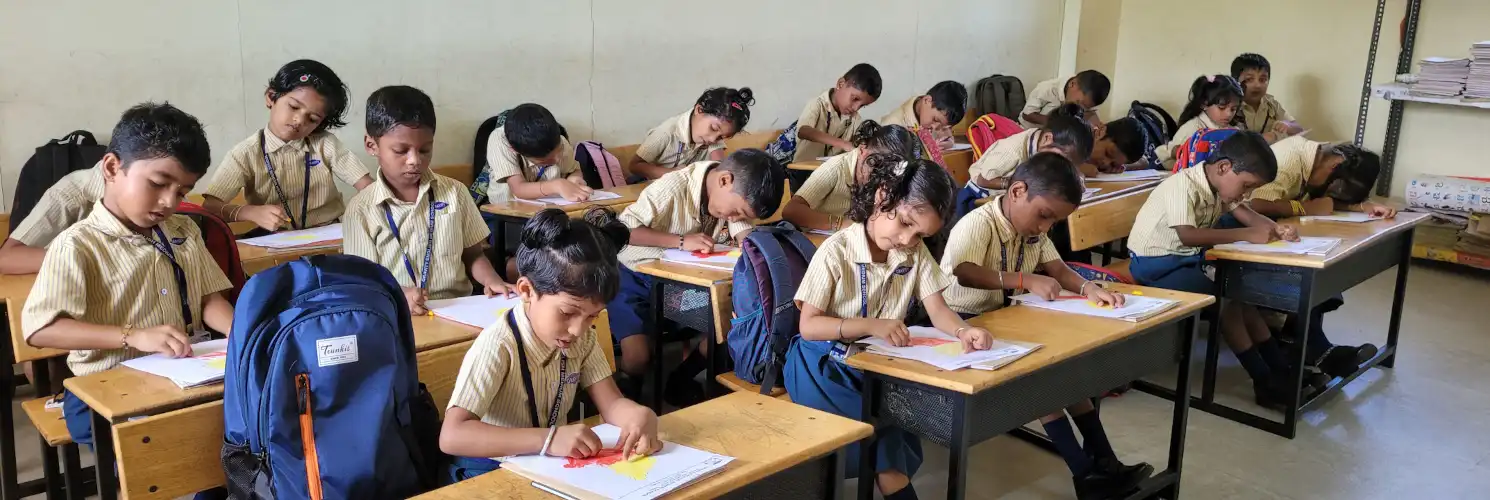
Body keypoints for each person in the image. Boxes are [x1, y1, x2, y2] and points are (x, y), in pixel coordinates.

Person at [22, 103, 234, 449]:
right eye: (158, 183)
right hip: (104, 390)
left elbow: (210, 299)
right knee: (161, 453)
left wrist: (244, 333)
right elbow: (42, 329)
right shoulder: (77, 245)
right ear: (111, 167)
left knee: (234, 437)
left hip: (185, 375)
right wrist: (132, 336)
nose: (168, 202)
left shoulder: (183, 231)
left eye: (181, 192)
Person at [942, 152, 1152, 499]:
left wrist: (1089, 287)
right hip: (965, 323)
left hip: (1005, 319)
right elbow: (963, 271)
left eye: (1052, 222)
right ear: (1017, 191)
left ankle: (1107, 463)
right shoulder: (979, 222)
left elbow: (1057, 269)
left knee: (1069, 379)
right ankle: (1085, 477)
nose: (1044, 227)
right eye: (1043, 216)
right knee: (1041, 384)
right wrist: (1023, 278)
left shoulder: (1034, 233)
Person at [785, 155, 994, 500]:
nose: (908, 239)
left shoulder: (914, 253)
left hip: (873, 366)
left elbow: (939, 310)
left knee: (898, 424)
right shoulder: (835, 251)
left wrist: (961, 332)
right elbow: (809, 326)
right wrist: (872, 325)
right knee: (883, 435)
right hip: (820, 367)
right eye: (906, 222)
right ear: (883, 197)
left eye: (920, 234)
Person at [440, 208, 660, 482]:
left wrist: (639, 415)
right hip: (487, 469)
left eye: (592, 316)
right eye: (567, 313)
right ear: (526, 291)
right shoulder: (498, 344)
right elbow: (453, 436)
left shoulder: (584, 338)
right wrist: (549, 439)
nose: (578, 329)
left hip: (543, 463)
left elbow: (612, 403)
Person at [1127, 131, 1304, 409]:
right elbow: (1187, 235)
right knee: (1230, 298)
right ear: (1224, 167)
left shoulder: (1219, 184)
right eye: (1246, 185)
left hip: (1187, 260)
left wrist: (1275, 228)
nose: (1246, 193)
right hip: (1156, 267)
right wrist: (1245, 235)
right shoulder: (1181, 186)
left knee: (1243, 296)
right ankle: (1263, 379)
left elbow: (1246, 214)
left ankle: (1281, 370)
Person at [607, 150, 786, 403]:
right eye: (735, 212)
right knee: (639, 357)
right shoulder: (673, 187)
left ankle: (679, 380)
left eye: (741, 216)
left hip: (679, 289)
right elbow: (622, 230)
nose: (733, 219)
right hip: (632, 279)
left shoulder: (729, 197)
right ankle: (626, 399)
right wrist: (679, 241)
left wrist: (753, 251)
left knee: (723, 330)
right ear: (725, 180)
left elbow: (745, 236)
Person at [343, 86, 515, 316]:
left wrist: (492, 279)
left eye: (425, 150)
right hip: (397, 313)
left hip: (459, 310)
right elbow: (363, 279)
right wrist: (399, 293)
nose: (415, 160)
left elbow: (473, 254)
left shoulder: (455, 192)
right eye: (401, 150)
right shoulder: (361, 209)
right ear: (372, 146)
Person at [1243, 137, 1396, 379]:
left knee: (1319, 269)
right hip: (1247, 237)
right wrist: (1305, 209)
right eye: (1336, 187)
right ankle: (1318, 352)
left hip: (1274, 234)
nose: (1332, 193)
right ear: (1334, 166)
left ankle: (1312, 349)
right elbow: (1254, 204)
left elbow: (1323, 200)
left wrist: (1360, 208)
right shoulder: (1288, 162)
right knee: (1307, 275)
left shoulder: (1316, 161)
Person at [201, 59, 373, 234]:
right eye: (293, 107)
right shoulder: (245, 154)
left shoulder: (325, 144)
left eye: (312, 119)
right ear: (270, 97)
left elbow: (368, 187)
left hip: (329, 235)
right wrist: (248, 212)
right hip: (274, 241)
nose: (299, 120)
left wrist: (359, 213)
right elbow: (209, 208)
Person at [782, 121, 918, 231]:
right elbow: (791, 210)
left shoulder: (892, 176)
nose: (877, 179)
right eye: (874, 168)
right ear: (863, 149)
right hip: (815, 239)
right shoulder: (836, 168)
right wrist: (842, 225)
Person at [629, 87, 755, 180]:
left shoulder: (714, 136)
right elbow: (634, 165)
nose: (713, 139)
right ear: (699, 110)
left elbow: (719, 165)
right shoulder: (667, 133)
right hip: (652, 186)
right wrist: (670, 173)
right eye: (713, 128)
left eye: (722, 137)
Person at [480, 103, 589, 204]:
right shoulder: (501, 141)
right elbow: (518, 189)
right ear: (514, 149)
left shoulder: (559, 141)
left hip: (546, 209)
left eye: (559, 150)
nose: (557, 159)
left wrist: (574, 180)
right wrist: (557, 185)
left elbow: (574, 170)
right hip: (505, 212)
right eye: (545, 161)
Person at [967, 104, 1094, 191]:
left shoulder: (1047, 144)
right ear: (1047, 139)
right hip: (980, 196)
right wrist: (1020, 184)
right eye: (1065, 161)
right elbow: (983, 180)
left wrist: (1077, 177)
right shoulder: (1012, 151)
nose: (1063, 166)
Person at [791, 63, 882, 162]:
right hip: (801, 171)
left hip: (831, 174)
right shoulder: (818, 104)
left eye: (862, 106)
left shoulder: (855, 119)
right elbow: (803, 131)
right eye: (855, 99)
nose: (856, 108)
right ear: (840, 84)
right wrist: (842, 143)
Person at [1155, 75, 1243, 164]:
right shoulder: (1192, 129)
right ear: (1204, 104)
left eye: (1233, 109)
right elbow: (1166, 156)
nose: (1228, 114)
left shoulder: (1235, 130)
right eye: (1222, 107)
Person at [878, 80, 968, 151]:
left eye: (943, 126)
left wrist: (949, 142)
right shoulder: (892, 125)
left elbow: (947, 135)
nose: (934, 127)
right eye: (935, 120)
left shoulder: (935, 114)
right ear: (926, 100)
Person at [1231, 53, 1302, 142]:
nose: (1257, 85)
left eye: (1263, 79)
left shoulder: (1271, 104)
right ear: (1235, 81)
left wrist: (1287, 125)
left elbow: (1299, 128)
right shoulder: (1230, 106)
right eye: (1249, 79)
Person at [1021, 70, 1112, 128]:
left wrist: (1097, 127)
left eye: (1085, 107)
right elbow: (1027, 114)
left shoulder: (1087, 100)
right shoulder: (1047, 88)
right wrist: (1058, 123)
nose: (1080, 108)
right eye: (1078, 103)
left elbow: (1092, 116)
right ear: (1072, 84)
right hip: (1025, 131)